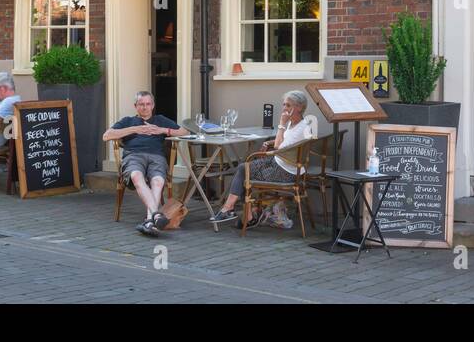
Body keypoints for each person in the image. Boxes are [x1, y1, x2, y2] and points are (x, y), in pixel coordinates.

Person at [209, 90, 317, 229]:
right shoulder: (295, 123)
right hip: (279, 163)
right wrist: (269, 142)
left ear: (300, 107)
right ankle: (239, 212)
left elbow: (279, 146)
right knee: (245, 167)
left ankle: (234, 211)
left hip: (286, 173)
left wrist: (281, 124)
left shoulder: (300, 127)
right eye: (284, 104)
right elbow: (286, 141)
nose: (284, 108)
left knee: (245, 171)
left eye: (288, 105)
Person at [103, 91, 188, 236]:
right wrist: (135, 129)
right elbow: (106, 136)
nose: (145, 107)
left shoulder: (160, 120)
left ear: (153, 105)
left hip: (156, 157)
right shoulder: (128, 121)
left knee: (158, 181)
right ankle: (156, 215)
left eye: (148, 104)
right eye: (141, 104)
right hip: (134, 156)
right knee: (136, 176)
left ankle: (150, 220)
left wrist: (163, 130)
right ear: (135, 106)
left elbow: (184, 132)